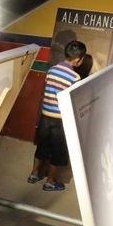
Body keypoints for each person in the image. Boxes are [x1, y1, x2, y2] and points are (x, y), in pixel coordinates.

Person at [27, 38, 87, 192]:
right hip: (60, 120)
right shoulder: (75, 78)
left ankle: (34, 174)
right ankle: (50, 181)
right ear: (78, 60)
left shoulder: (52, 70)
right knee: (58, 151)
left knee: (42, 146)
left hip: (45, 117)